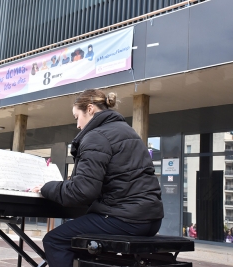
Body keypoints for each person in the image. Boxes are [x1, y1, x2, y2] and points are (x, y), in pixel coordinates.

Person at [32, 89, 164, 267]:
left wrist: (46, 187)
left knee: (55, 240)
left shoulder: (96, 137)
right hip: (151, 219)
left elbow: (82, 191)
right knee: (80, 242)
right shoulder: (128, 131)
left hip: (124, 219)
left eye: (76, 117)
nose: (78, 125)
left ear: (90, 109)